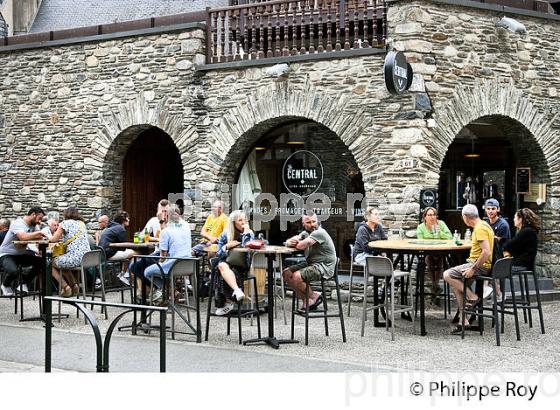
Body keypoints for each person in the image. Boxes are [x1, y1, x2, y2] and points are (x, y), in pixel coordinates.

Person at [443, 204, 494, 334]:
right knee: (457, 285)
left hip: (479, 266)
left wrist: (473, 268)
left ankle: (472, 297)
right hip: (482, 265)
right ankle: (463, 321)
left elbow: (486, 252)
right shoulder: (484, 225)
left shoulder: (480, 229)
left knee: (447, 275)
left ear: (465, 217)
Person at [283, 212, 337, 312]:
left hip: (323, 266)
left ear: (318, 221)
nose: (312, 224)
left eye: (314, 221)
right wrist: (288, 242)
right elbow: (292, 241)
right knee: (286, 273)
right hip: (311, 263)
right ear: (303, 223)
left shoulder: (320, 233)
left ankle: (313, 297)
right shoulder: (305, 234)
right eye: (308, 222)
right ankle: (306, 299)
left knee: (296, 276)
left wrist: (293, 243)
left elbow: (300, 246)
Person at [143, 204, 192, 303]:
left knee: (147, 271)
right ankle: (170, 293)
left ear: (168, 217)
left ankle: (171, 291)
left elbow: (163, 256)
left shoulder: (166, 231)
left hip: (173, 266)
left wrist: (160, 261)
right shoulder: (187, 226)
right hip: (188, 265)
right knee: (159, 267)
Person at [213, 210, 254, 315]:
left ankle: (228, 302)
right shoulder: (225, 234)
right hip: (227, 263)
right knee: (221, 265)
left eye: (244, 220)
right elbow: (218, 253)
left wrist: (245, 233)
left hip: (242, 265)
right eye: (240, 220)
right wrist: (227, 246)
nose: (243, 222)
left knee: (223, 272)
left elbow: (247, 248)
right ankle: (237, 290)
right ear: (233, 222)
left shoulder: (249, 233)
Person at [0, 207, 46, 296]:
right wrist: (39, 233)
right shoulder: (17, 223)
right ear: (33, 215)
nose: (39, 221)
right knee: (13, 271)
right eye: (39, 218)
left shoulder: (34, 225)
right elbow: (23, 237)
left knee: (42, 262)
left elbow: (39, 238)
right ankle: (5, 285)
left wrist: (38, 247)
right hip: (6, 254)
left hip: (21, 254)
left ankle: (23, 284)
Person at [49, 207, 91, 297]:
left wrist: (45, 235)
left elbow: (54, 239)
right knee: (62, 262)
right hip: (88, 259)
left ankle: (66, 287)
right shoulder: (82, 223)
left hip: (75, 259)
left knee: (48, 262)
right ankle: (74, 286)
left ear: (65, 214)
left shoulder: (64, 223)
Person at [416, 207, 453, 302]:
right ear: (424, 217)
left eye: (434, 215)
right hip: (427, 252)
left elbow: (450, 237)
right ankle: (436, 286)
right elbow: (420, 241)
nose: (432, 217)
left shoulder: (441, 224)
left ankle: (434, 286)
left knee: (439, 259)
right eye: (429, 215)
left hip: (440, 251)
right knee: (429, 260)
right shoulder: (421, 227)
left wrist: (440, 232)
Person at [99, 210, 138, 286]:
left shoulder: (113, 227)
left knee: (129, 254)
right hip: (109, 254)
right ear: (124, 219)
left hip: (103, 254)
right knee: (137, 253)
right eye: (128, 218)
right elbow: (124, 246)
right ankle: (126, 275)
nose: (129, 220)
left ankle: (122, 274)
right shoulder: (120, 228)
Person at [483, 198, 511, 299]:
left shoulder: (502, 224)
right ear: (485, 209)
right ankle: (492, 290)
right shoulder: (485, 223)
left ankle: (488, 288)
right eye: (488, 208)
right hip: (492, 255)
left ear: (498, 209)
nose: (490, 211)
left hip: (502, 256)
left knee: (485, 261)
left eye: (493, 209)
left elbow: (494, 242)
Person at [504, 208, 539, 273]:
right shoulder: (528, 231)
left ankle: (495, 283)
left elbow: (508, 246)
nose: (514, 219)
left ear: (520, 219)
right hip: (524, 263)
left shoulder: (526, 231)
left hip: (522, 265)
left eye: (515, 217)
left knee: (497, 270)